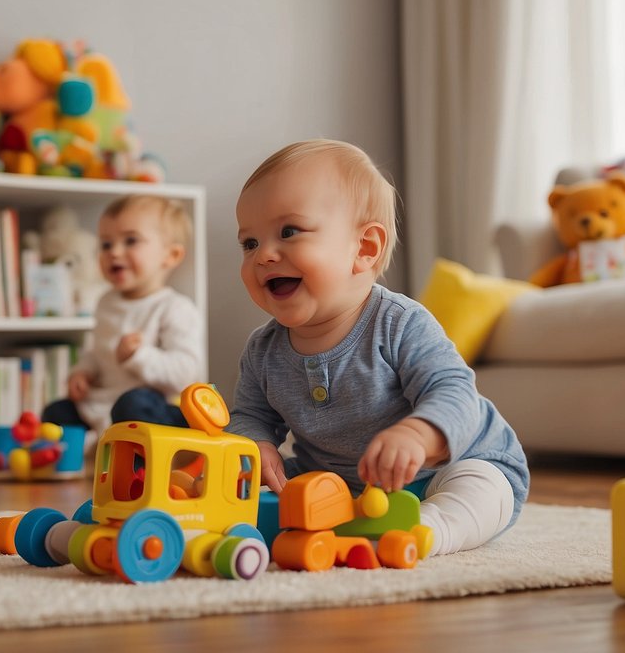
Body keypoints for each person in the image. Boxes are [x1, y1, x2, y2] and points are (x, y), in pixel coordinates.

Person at [226, 139, 529, 556]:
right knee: (256, 496)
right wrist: (256, 446)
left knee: (481, 486)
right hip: (340, 484)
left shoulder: (400, 323)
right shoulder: (263, 350)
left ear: (364, 249)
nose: (263, 256)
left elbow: (456, 392)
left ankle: (428, 531)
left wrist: (418, 435)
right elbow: (249, 415)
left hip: (444, 468)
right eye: (249, 243)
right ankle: (350, 523)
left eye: (289, 232)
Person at [41, 194, 205, 440]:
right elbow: (97, 353)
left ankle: (139, 469)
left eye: (131, 241)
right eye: (106, 244)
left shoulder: (175, 308)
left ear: (170, 256)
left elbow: (185, 372)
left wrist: (138, 356)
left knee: (133, 404)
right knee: (56, 412)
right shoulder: (106, 302)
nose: (114, 252)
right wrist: (83, 372)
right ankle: (87, 460)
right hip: (104, 404)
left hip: (155, 409)